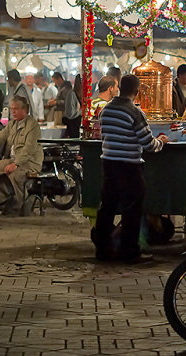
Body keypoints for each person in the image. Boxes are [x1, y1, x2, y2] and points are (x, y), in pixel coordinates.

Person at [94, 74, 169, 263]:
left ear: (119, 88)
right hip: (129, 167)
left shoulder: (106, 110)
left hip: (109, 165)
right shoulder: (135, 112)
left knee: (107, 208)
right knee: (131, 210)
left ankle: (102, 251)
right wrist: (161, 142)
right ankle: (130, 252)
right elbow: (148, 144)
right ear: (136, 92)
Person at [0, 96, 43, 214]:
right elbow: (1, 136)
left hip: (29, 162)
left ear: (25, 110)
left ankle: (21, 203)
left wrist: (16, 164)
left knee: (15, 174)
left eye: (16, 109)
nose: (13, 112)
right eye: (12, 109)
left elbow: (28, 149)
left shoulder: (32, 125)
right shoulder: (12, 124)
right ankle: (4, 199)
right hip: (11, 160)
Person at [53, 72, 81, 138]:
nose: (55, 83)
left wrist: (56, 102)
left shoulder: (67, 89)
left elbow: (66, 102)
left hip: (68, 116)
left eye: (55, 81)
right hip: (70, 118)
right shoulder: (70, 91)